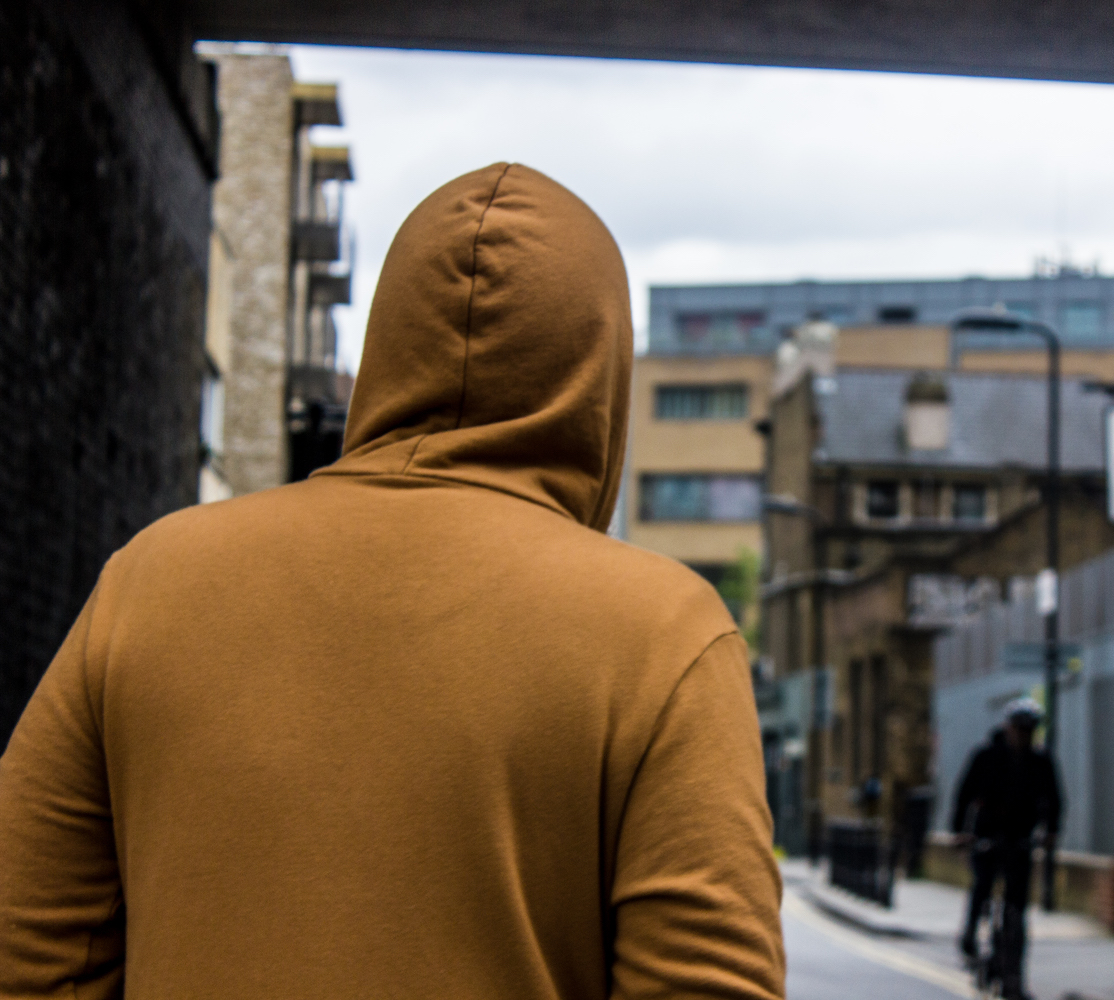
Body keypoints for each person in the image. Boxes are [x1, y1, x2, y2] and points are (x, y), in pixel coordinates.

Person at [0, 164, 786, 998]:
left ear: (386, 347)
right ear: (599, 376)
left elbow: (28, 948)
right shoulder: (663, 634)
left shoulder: (151, 580)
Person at [951, 697, 1062, 1000]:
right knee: (983, 884)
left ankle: (1015, 975)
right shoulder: (986, 756)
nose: (1024, 735)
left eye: (1030, 730)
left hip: (1020, 838)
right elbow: (964, 794)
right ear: (1007, 728)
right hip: (987, 834)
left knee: (1018, 909)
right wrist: (960, 832)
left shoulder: (1041, 761)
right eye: (1019, 729)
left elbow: (1054, 799)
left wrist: (1051, 831)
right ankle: (970, 935)